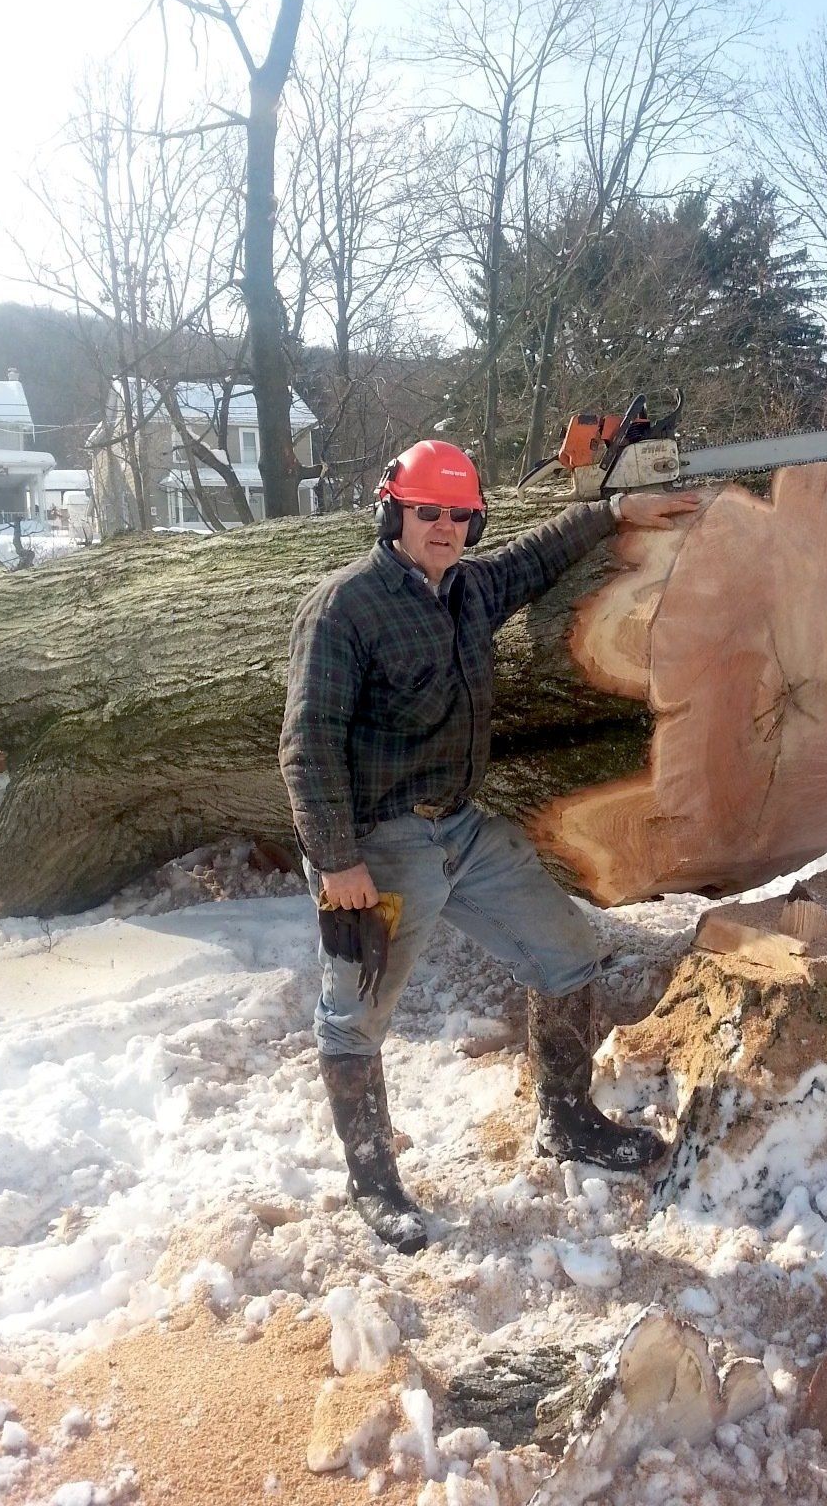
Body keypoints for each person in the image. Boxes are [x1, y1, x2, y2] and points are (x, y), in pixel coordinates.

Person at [279, 438, 698, 1252]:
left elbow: (537, 557)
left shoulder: (469, 590)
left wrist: (614, 510)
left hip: (463, 832)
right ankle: (373, 1181)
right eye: (425, 510)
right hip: (379, 844)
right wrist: (338, 863)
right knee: (353, 1018)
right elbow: (307, 747)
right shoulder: (345, 609)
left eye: (457, 515)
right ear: (391, 510)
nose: (441, 527)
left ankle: (567, 1118)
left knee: (568, 952)